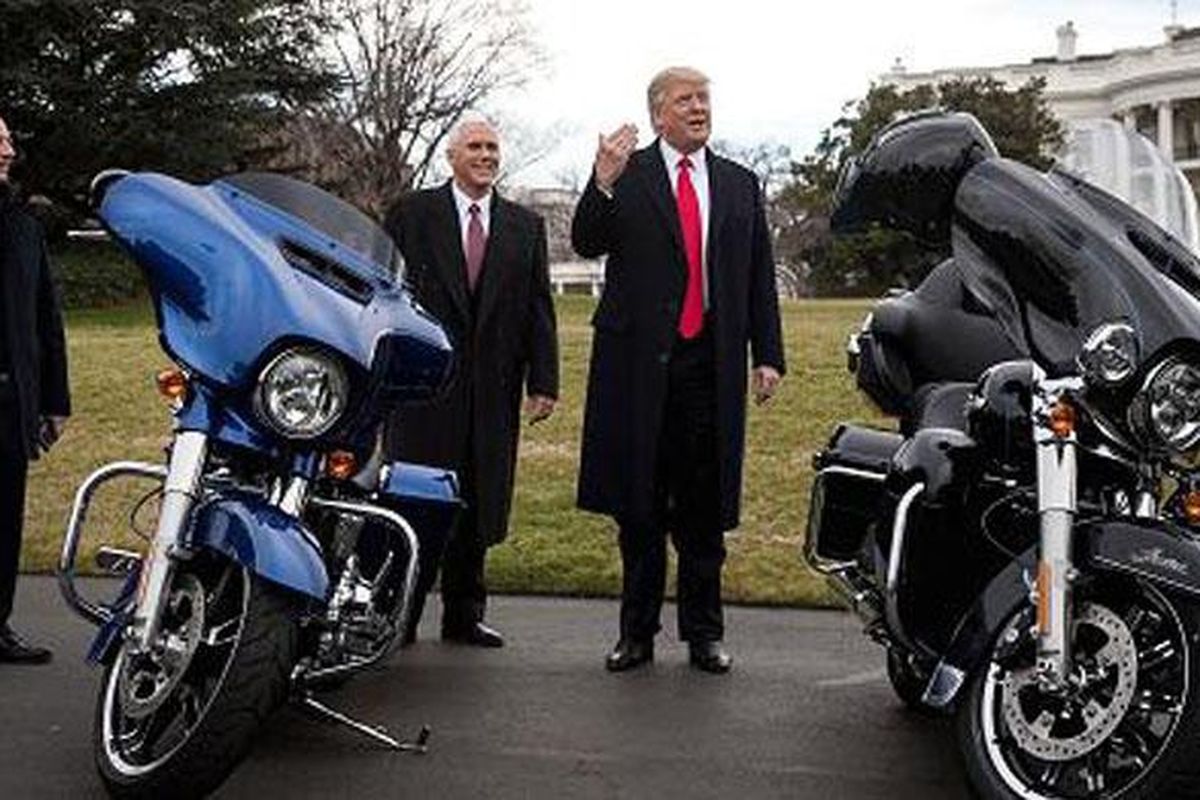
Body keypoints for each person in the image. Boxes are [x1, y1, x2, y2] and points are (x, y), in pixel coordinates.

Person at [572, 67, 785, 674]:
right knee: (638, 507)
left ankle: (704, 635)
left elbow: (757, 276)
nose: (699, 109)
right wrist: (601, 182)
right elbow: (587, 241)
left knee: (704, 509)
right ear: (658, 113)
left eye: (704, 99)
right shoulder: (629, 175)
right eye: (685, 100)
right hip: (638, 367)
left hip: (709, 365)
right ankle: (636, 634)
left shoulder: (740, 184)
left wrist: (767, 353)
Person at [384, 117, 558, 648]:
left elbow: (537, 309)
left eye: (492, 147)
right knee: (415, 500)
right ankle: (399, 616)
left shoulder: (524, 227)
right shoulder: (413, 214)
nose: (486, 156)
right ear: (452, 157)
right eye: (475, 147)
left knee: (478, 504)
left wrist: (543, 379)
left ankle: (464, 615)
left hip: (493, 389)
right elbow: (385, 290)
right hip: (424, 388)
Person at [0, 113, 70, 664]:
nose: (7, 148)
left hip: (11, 401)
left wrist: (53, 400)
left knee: (5, 518)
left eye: (6, 139)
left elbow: (47, 316)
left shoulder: (23, 226)